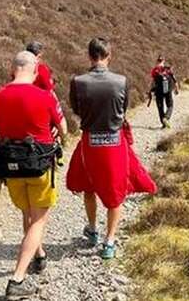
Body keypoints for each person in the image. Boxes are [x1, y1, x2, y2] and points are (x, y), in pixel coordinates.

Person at [66, 38, 157, 260]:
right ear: (109, 55)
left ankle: (92, 228)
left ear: (89, 56)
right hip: (115, 142)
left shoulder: (78, 81)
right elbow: (123, 108)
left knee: (89, 185)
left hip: (90, 141)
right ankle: (110, 240)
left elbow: (76, 108)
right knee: (116, 191)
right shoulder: (121, 81)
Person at [0, 51, 67, 300]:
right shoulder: (44, 96)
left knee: (27, 213)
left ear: (13, 69)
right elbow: (64, 129)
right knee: (39, 220)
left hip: (11, 166)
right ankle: (17, 279)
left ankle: (39, 255)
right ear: (35, 70)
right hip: (38, 165)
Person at [148, 57, 179, 129]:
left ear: (157, 61)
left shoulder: (154, 70)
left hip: (158, 91)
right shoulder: (168, 69)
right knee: (170, 105)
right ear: (164, 61)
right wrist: (176, 89)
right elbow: (175, 80)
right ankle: (166, 118)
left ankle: (163, 123)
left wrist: (149, 90)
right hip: (168, 91)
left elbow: (152, 82)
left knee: (160, 108)